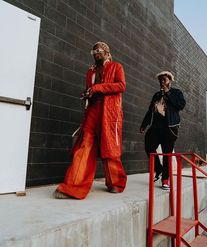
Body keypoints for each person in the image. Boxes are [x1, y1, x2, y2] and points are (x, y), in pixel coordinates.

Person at [54, 42, 127, 199]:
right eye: (93, 51)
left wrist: (97, 88)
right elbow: (92, 89)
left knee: (109, 147)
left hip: (109, 113)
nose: (95, 53)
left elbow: (121, 85)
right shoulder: (90, 71)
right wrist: (87, 93)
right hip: (93, 111)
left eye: (99, 51)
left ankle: (116, 183)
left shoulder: (116, 66)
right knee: (84, 146)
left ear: (106, 52)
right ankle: (73, 187)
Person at [140, 71, 186, 190]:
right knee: (149, 146)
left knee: (167, 154)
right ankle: (158, 169)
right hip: (156, 126)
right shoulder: (156, 95)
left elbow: (180, 105)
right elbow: (150, 110)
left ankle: (165, 179)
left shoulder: (176, 93)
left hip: (169, 127)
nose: (162, 82)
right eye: (160, 80)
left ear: (169, 80)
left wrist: (168, 93)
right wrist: (144, 125)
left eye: (164, 80)